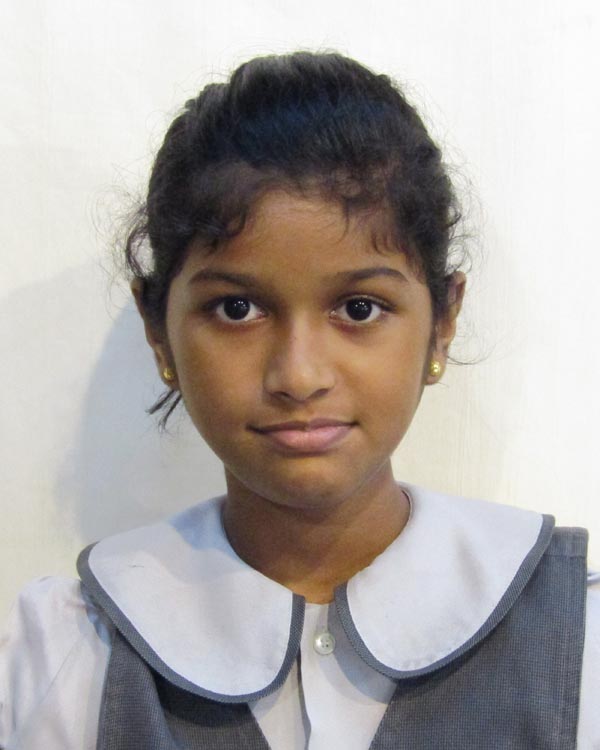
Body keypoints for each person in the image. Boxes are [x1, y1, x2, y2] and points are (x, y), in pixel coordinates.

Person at [0, 51, 598, 750]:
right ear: (158, 331)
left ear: (442, 321)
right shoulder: (62, 654)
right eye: (236, 308)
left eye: (359, 307)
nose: (299, 374)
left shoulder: (579, 644)